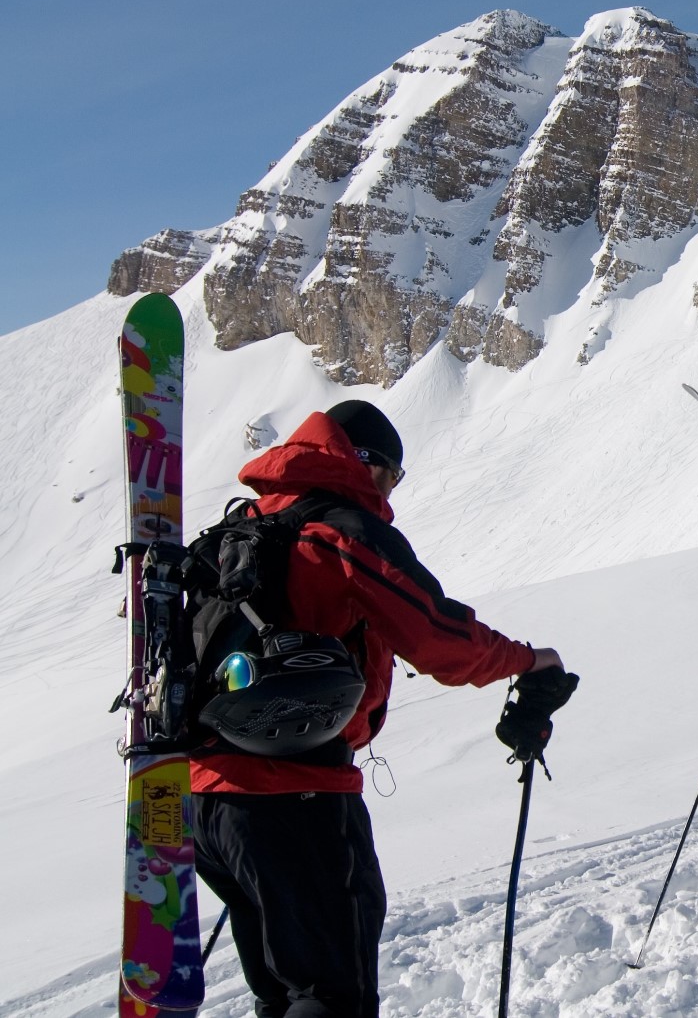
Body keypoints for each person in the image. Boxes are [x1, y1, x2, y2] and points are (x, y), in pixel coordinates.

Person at [190, 399, 568, 1017]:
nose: (392, 492)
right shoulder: (341, 530)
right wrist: (530, 662)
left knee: (285, 993)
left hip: (205, 800)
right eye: (392, 475)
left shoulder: (239, 531)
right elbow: (439, 637)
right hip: (295, 794)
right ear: (363, 463)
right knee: (331, 997)